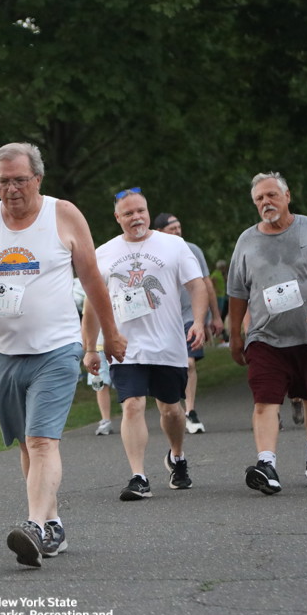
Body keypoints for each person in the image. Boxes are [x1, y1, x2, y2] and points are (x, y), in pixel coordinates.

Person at [0, 142, 126, 568]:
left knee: (42, 440)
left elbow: (92, 279)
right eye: (3, 181)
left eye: (20, 180)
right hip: (1, 353)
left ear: (37, 178)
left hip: (56, 349)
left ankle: (35, 526)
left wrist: (109, 335)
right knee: (27, 442)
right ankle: (52, 524)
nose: (11, 189)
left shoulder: (63, 214)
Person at [82, 188, 207, 501]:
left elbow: (197, 286)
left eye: (141, 211)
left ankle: (177, 456)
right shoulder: (103, 253)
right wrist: (90, 348)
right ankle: (139, 476)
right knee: (133, 404)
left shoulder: (173, 245)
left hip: (168, 344)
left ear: (148, 211)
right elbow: (91, 304)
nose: (136, 217)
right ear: (117, 217)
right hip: (124, 345)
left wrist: (199, 321)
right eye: (128, 213)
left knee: (172, 410)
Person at [227, 172, 307, 494]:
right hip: (264, 336)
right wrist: (235, 335)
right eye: (259, 199)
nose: (266, 202)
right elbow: (237, 292)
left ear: (287, 196)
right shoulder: (246, 241)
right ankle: (266, 465)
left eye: (271, 195)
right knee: (264, 401)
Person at [152, 212, 223, 433]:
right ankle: (174, 410)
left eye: (179, 227)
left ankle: (190, 411)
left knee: (189, 363)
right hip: (164, 319)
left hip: (190, 316)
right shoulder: (151, 254)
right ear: (160, 232)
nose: (178, 231)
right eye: (172, 229)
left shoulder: (192, 250)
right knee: (168, 367)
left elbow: (206, 284)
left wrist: (215, 316)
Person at [87, 331, 115, 436]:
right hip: (97, 349)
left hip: (116, 345)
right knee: (99, 385)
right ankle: (105, 420)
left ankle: (130, 416)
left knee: (123, 383)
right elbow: (86, 324)